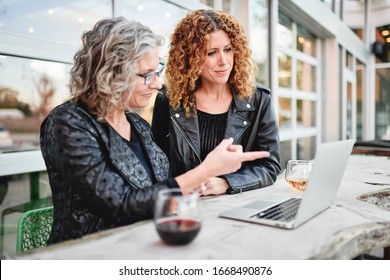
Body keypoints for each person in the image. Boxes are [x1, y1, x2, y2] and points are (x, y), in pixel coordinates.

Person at [40, 17, 270, 245]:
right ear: (111, 73)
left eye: (157, 71)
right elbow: (121, 205)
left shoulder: (138, 126)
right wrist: (206, 170)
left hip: (147, 245)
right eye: (147, 74)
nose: (158, 84)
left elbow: (159, 190)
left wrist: (207, 185)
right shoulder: (68, 122)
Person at [152, 10, 281, 196]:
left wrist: (228, 182)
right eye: (211, 53)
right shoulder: (169, 100)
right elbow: (158, 166)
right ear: (191, 59)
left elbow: (270, 166)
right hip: (184, 207)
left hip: (237, 209)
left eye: (228, 50)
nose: (224, 61)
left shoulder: (259, 100)